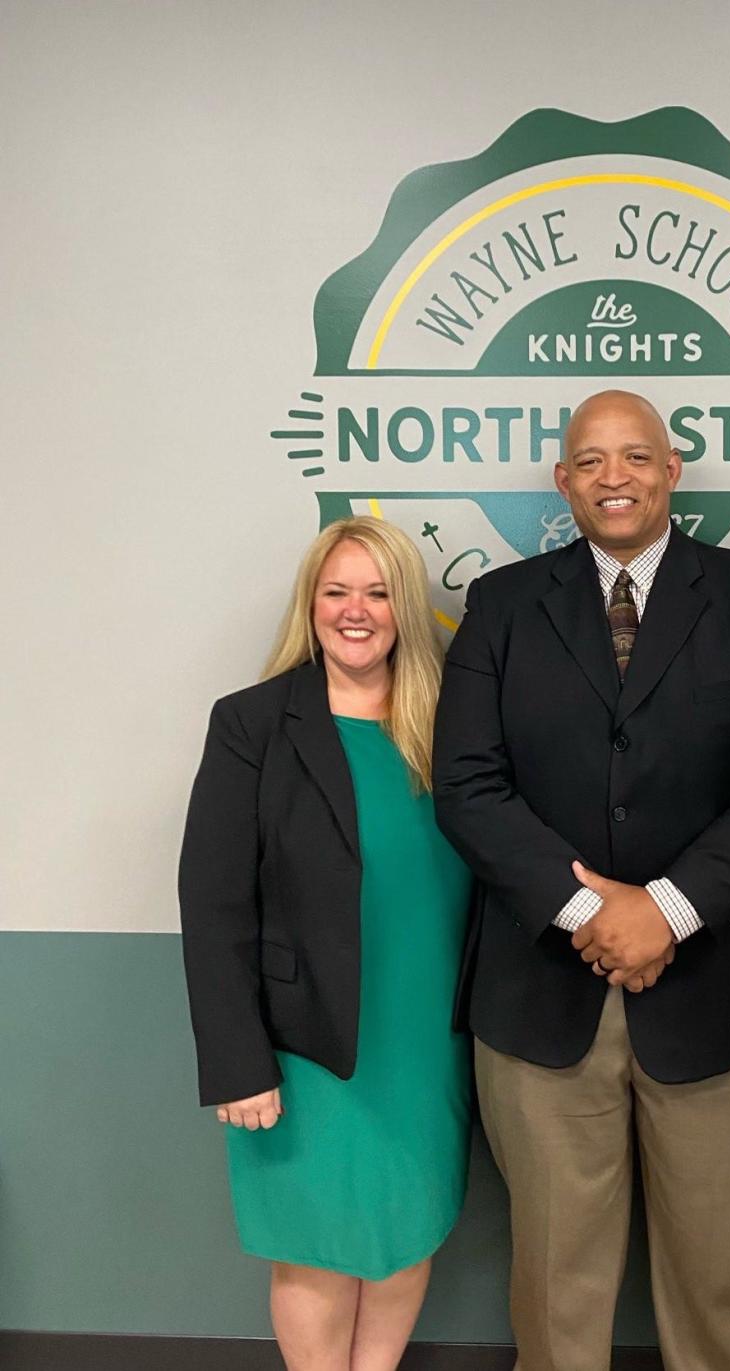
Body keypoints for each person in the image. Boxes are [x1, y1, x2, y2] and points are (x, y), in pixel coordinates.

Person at [432, 389, 730, 1371]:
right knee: (555, 1286)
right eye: (592, 460)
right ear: (562, 481)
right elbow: (468, 787)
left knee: (717, 1282)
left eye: (636, 456)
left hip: (714, 999)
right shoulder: (501, 606)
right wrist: (592, 913)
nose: (615, 477)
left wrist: (665, 910)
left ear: (673, 469)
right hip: (542, 1001)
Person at [179, 516, 472, 1371]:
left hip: (425, 1041)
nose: (357, 610)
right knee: (314, 1244)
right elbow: (214, 902)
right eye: (337, 590)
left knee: (405, 1229)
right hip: (300, 1042)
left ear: (403, 609)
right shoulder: (252, 725)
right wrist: (238, 1061)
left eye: (378, 592)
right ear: (310, 604)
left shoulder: (451, 722)